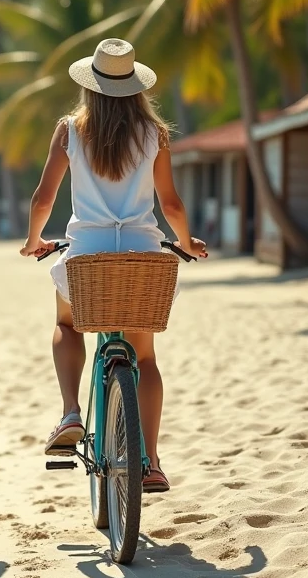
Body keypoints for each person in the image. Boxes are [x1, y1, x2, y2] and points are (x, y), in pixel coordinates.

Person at [19, 38, 206, 493]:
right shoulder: (155, 133)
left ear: (90, 86)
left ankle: (70, 412)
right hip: (143, 252)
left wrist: (33, 240)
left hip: (87, 252)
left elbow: (44, 198)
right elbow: (171, 203)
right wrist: (185, 241)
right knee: (145, 357)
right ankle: (153, 460)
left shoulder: (70, 130)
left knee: (67, 324)